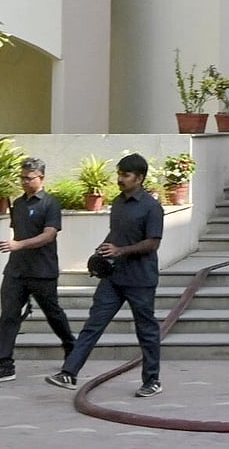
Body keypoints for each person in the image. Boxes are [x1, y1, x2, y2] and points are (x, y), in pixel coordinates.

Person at [46, 153, 164, 398]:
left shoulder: (152, 208)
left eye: (126, 175)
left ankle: (152, 380)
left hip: (141, 279)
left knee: (146, 330)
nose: (120, 179)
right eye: (119, 174)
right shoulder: (119, 203)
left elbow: (153, 243)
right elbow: (116, 234)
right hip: (114, 277)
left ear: (139, 178)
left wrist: (120, 250)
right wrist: (102, 251)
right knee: (93, 325)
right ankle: (69, 372)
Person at [0, 157, 76, 384]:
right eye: (22, 178)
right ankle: (5, 364)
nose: (24, 182)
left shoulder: (50, 204)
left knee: (53, 313)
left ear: (41, 178)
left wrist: (20, 245)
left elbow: (49, 234)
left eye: (29, 178)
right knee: (9, 316)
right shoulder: (18, 204)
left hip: (42, 271)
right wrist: (16, 247)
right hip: (16, 271)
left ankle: (71, 347)